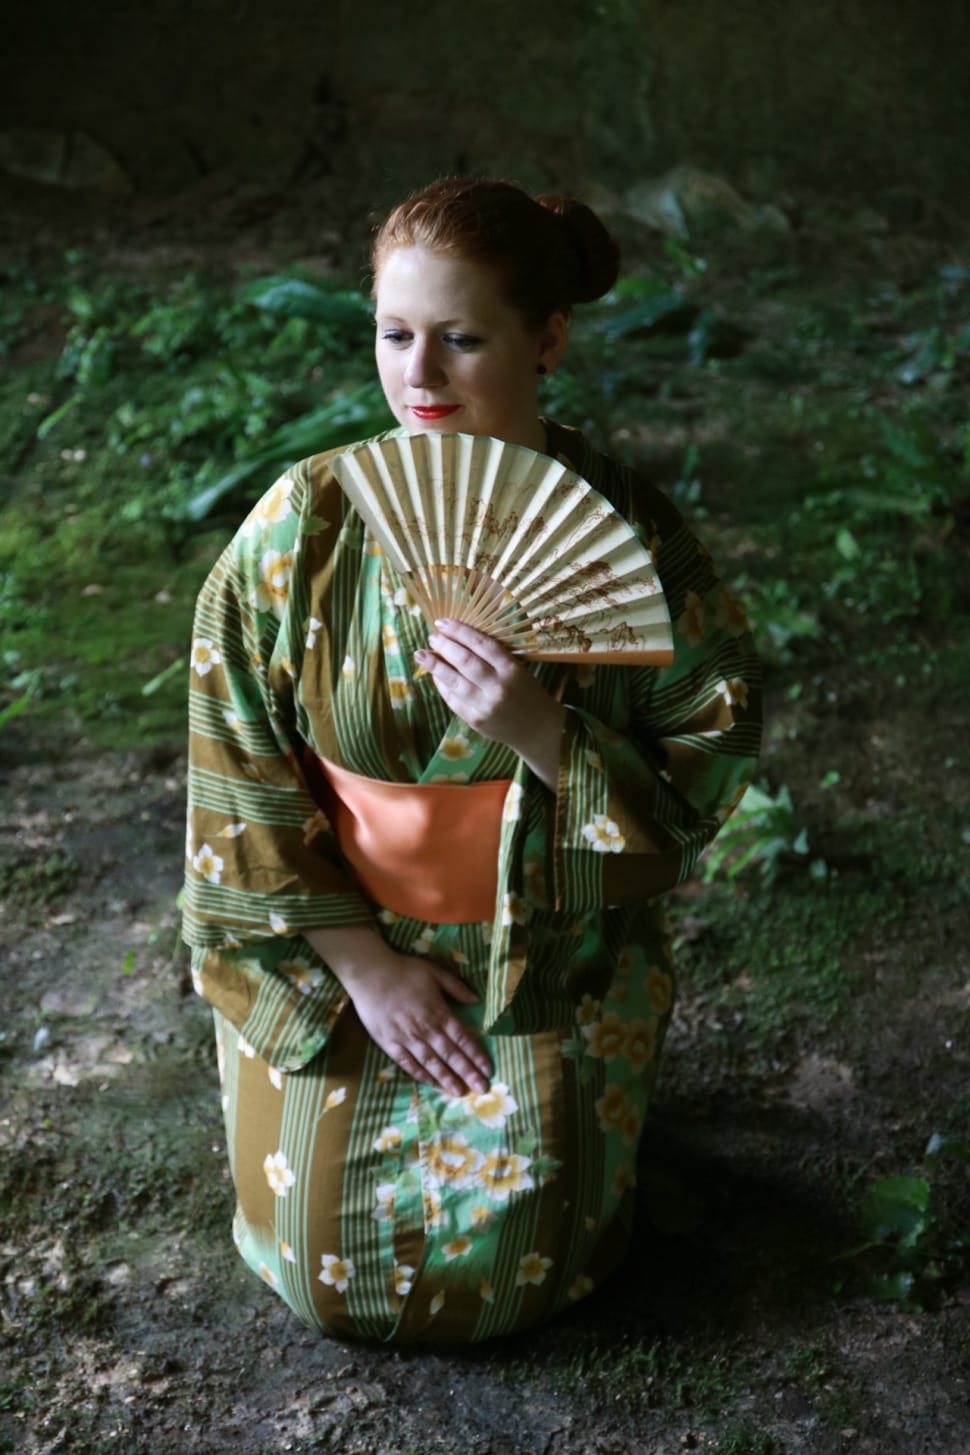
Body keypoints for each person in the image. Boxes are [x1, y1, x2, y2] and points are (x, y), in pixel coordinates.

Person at [182, 177, 761, 1343]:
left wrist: (543, 733)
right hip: (335, 937)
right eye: (395, 336)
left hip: (546, 946)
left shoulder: (630, 537)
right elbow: (233, 758)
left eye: (462, 338)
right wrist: (361, 967)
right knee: (326, 1268)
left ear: (545, 339)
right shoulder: (306, 526)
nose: (420, 377)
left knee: (517, 1268)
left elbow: (705, 751)